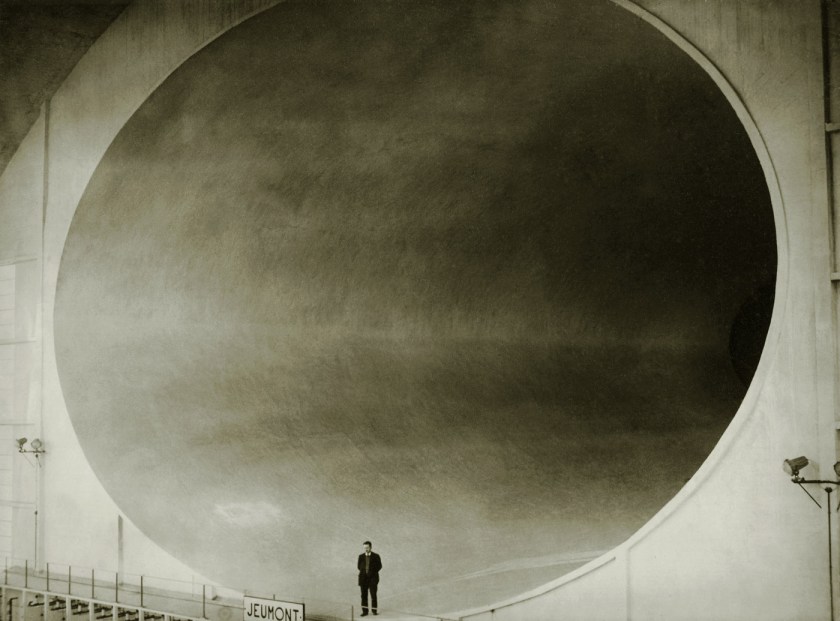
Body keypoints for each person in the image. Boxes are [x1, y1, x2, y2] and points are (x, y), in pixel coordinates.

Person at [357, 540, 382, 616]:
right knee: (363, 596)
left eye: (367, 547)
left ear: (371, 547)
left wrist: (371, 572)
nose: (366, 549)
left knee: (373, 595)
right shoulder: (361, 556)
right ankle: (365, 611)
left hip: (373, 579)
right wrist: (365, 573)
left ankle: (374, 611)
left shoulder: (376, 556)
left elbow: (379, 566)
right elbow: (359, 567)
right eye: (364, 548)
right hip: (363, 579)